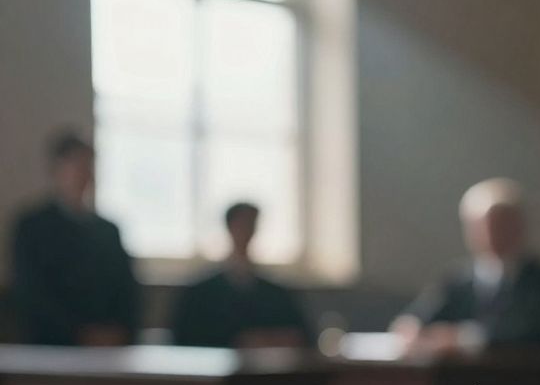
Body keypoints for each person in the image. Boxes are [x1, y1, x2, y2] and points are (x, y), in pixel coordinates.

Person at [392, 178, 540, 351]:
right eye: (481, 226)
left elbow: (536, 333)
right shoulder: (457, 279)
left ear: (519, 225)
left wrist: (465, 339)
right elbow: (420, 315)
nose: (489, 234)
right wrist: (411, 327)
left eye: (499, 224)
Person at [10, 131, 141, 346]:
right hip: (50, 346)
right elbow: (30, 293)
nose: (83, 174)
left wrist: (120, 332)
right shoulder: (32, 227)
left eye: (88, 166)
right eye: (75, 165)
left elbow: (127, 291)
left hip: (107, 350)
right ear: (56, 170)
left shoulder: (108, 231)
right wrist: (77, 334)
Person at [170, 203, 313, 349]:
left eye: (251, 224)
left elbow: (303, 336)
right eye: (241, 224)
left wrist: (267, 339)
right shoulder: (201, 293)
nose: (246, 231)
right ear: (229, 227)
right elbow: (184, 337)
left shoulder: (275, 293)